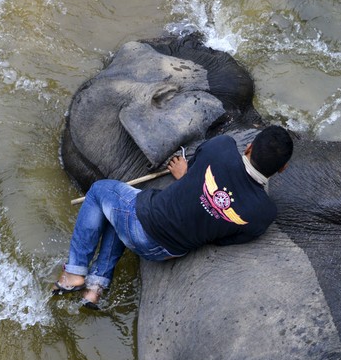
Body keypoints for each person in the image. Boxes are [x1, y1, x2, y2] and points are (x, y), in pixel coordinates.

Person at [51, 125, 293, 308]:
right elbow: (223, 239)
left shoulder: (222, 147)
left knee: (100, 191)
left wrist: (186, 174)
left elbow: (198, 170)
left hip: (144, 221)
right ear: (282, 169)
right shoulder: (265, 213)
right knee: (117, 215)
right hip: (165, 253)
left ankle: (74, 272)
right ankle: (95, 287)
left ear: (249, 147)